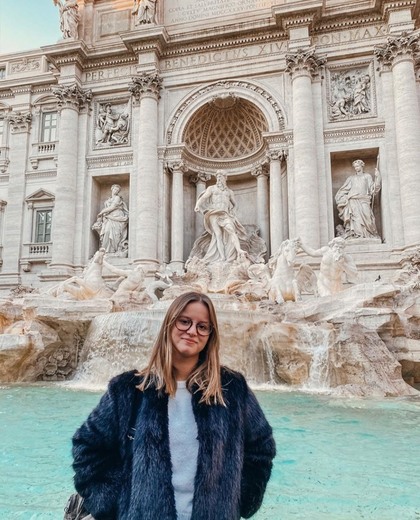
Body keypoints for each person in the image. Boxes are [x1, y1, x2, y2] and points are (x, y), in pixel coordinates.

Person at [72, 291, 276, 520]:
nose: (192, 331)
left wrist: (240, 501)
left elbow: (261, 447)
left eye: (202, 326)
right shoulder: (128, 390)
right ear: (170, 324)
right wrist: (113, 503)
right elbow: (87, 446)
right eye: (184, 321)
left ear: (210, 335)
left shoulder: (231, 389)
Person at [194, 170, 247, 263]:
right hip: (214, 213)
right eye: (217, 177)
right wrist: (197, 205)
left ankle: (239, 250)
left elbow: (235, 204)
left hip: (225, 214)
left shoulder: (229, 192)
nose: (219, 178)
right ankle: (222, 258)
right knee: (218, 235)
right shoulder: (212, 188)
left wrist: (233, 212)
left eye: (221, 176)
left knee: (232, 231)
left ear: (225, 178)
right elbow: (204, 198)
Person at [335, 159, 381, 239]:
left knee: (368, 218)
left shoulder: (367, 176)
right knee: (355, 219)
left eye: (357, 166)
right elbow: (343, 190)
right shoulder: (351, 178)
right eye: (355, 167)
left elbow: (373, 189)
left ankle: (369, 234)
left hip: (364, 200)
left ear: (362, 166)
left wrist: (378, 178)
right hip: (352, 200)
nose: (356, 168)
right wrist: (341, 198)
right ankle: (356, 235)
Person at [92, 184, 129, 255]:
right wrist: (103, 216)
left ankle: (112, 250)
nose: (116, 191)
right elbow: (108, 209)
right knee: (107, 231)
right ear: (112, 189)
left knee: (115, 233)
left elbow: (112, 207)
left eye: (117, 190)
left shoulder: (117, 198)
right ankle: (106, 250)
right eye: (115, 189)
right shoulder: (108, 200)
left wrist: (102, 212)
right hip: (109, 217)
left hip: (117, 216)